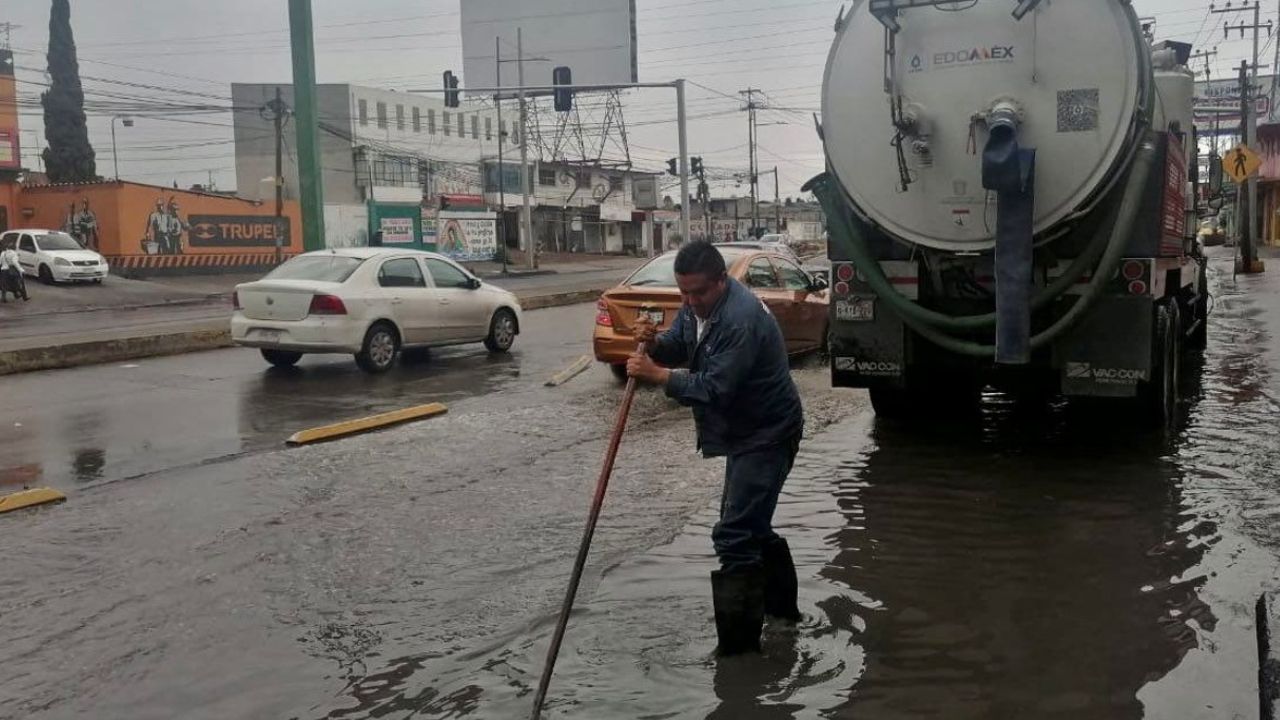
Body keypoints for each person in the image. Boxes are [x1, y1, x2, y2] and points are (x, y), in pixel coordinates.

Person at [626, 240, 804, 655]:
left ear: (722, 281)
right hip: (746, 433)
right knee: (751, 528)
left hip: (768, 433)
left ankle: (739, 655)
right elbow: (679, 344)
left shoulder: (740, 320)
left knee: (734, 535)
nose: (690, 302)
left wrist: (657, 375)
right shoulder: (696, 307)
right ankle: (783, 617)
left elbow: (715, 388)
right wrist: (653, 344)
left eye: (699, 293)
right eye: (683, 293)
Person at [0, 238, 29, 303]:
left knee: (4, 285)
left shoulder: (3, 253)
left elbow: (0, 262)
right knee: (18, 283)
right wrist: (21, 270)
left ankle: (3, 298)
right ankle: (21, 295)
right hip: (11, 271)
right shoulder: (14, 253)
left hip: (3, 271)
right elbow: (15, 262)